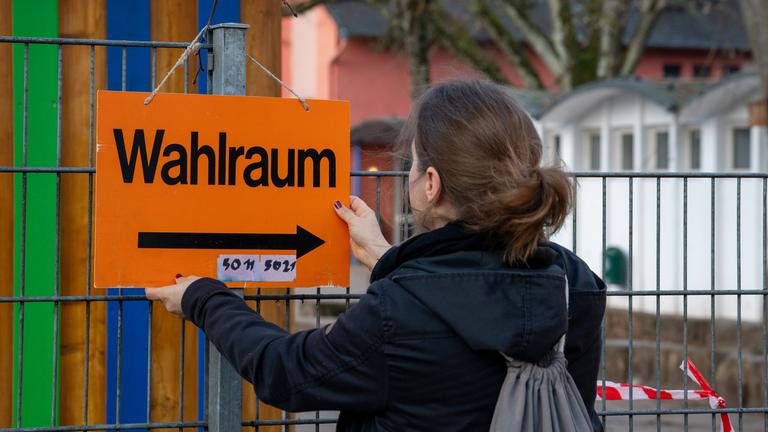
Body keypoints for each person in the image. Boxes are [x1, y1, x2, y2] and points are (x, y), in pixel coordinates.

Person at [147, 80, 606, 431]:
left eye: (411, 163)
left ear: (431, 183)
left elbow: (286, 371)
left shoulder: (399, 310)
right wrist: (389, 258)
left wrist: (202, 298)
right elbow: (473, 292)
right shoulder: (576, 286)